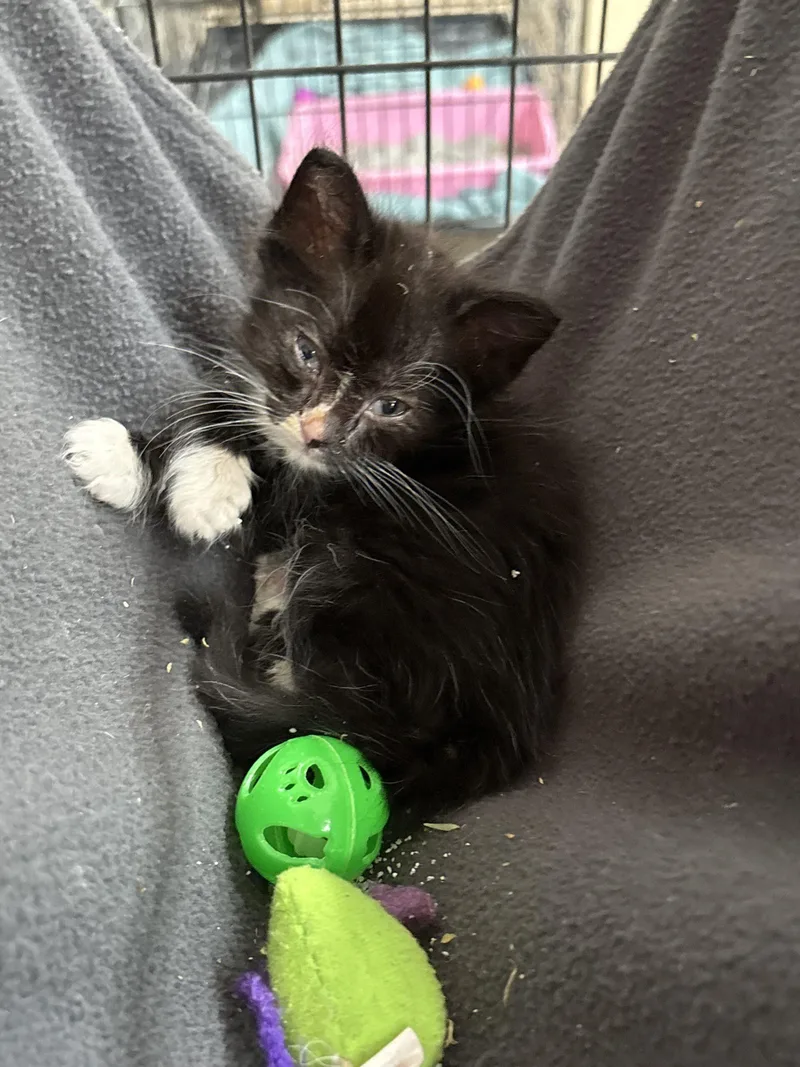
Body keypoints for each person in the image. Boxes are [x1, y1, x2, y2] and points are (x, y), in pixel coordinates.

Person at [1, 0, 798, 1064]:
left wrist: (204, 472)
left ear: (465, 386)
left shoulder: (431, 476)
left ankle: (285, 671)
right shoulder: (309, 356)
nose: (321, 422)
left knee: (326, 511)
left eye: (384, 407)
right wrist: (191, 443)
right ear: (288, 255)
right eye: (301, 365)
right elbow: (271, 459)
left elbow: (296, 486)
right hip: (440, 696)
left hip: (419, 696)